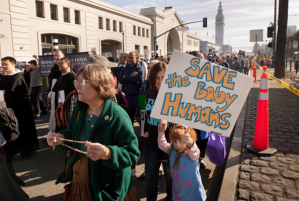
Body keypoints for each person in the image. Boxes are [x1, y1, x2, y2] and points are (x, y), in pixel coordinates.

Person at [47, 64, 140, 201]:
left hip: (106, 187)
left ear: (100, 85)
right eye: (76, 82)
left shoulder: (117, 115)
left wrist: (109, 153)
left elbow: (132, 153)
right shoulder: (80, 110)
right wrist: (61, 138)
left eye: (82, 82)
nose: (77, 86)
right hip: (81, 182)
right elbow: (71, 133)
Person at [144, 62, 172, 201]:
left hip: (169, 144)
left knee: (170, 177)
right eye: (157, 78)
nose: (160, 82)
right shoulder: (148, 91)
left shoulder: (174, 94)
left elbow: (182, 121)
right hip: (151, 143)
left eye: (164, 77)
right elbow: (144, 111)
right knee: (150, 177)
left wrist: (168, 123)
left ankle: (170, 198)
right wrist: (144, 130)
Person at [0, 57, 39, 157]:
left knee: (21, 129)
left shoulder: (18, 77)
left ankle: (23, 150)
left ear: (13, 65)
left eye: (6, 64)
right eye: (2, 64)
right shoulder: (5, 77)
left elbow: (22, 96)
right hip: (7, 110)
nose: (3, 66)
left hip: (19, 110)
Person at [157, 123, 207, 201]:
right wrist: (161, 131)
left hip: (194, 195)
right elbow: (161, 144)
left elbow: (196, 152)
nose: (178, 145)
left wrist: (190, 143)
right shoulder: (173, 150)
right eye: (175, 141)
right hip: (179, 195)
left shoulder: (191, 153)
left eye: (181, 141)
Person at [118, 51, 144, 124]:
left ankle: (142, 133)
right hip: (126, 95)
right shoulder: (124, 69)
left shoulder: (139, 68)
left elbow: (138, 78)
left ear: (136, 58)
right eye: (129, 57)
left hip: (136, 95)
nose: (129, 59)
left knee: (138, 116)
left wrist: (126, 76)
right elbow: (121, 80)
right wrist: (131, 77)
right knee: (128, 116)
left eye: (131, 57)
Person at [52, 57, 76, 124]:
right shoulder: (60, 78)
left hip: (70, 107)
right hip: (61, 107)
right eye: (59, 63)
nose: (59, 65)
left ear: (68, 65)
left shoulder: (73, 77)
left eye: (62, 63)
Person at [48, 49, 64, 132]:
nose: (56, 57)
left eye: (58, 55)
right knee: (54, 110)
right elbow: (51, 81)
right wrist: (50, 93)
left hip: (61, 93)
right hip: (54, 91)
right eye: (55, 55)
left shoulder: (66, 67)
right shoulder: (54, 66)